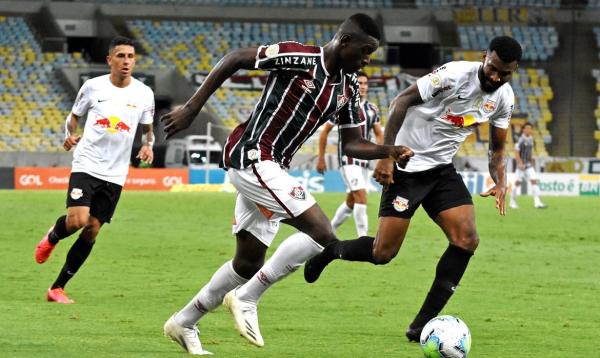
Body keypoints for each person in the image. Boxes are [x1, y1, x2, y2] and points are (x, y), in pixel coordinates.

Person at [160, 13, 413, 355]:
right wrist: (192, 108)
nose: (368, 60)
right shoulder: (299, 57)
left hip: (273, 167)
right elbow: (235, 59)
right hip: (252, 155)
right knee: (322, 234)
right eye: (365, 51)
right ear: (345, 41)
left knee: (247, 262)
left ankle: (184, 321)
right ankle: (248, 297)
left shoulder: (348, 87)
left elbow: (353, 143)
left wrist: (388, 150)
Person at [304, 36, 522, 342]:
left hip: (442, 172)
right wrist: (387, 155)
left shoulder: (503, 97)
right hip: (406, 166)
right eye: (493, 68)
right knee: (383, 253)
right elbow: (401, 101)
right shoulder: (453, 75)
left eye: (505, 73)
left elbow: (498, 149)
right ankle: (331, 251)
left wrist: (500, 181)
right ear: (484, 57)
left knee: (467, 240)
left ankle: (422, 325)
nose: (496, 77)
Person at [34, 36, 155, 304]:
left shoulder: (144, 94)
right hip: (87, 163)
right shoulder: (92, 87)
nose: (126, 61)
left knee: (92, 229)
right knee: (76, 221)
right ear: (109, 59)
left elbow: (148, 132)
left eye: (131, 57)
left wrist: (149, 147)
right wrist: (69, 134)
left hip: (116, 173)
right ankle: (53, 236)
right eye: (121, 56)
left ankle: (57, 288)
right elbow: (74, 116)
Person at [316, 70, 383, 237]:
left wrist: (381, 158)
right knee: (361, 196)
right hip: (348, 159)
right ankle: (364, 239)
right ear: (354, 85)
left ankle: (327, 232)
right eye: (359, 83)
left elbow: (379, 134)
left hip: (364, 161)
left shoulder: (372, 109)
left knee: (351, 202)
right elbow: (325, 132)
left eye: (365, 84)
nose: (363, 87)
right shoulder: (343, 105)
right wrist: (321, 158)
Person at [509, 122, 546, 209]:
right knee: (517, 183)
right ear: (523, 129)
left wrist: (531, 162)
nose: (528, 130)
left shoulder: (531, 139)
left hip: (528, 165)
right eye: (527, 128)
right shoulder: (520, 139)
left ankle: (537, 202)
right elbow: (516, 152)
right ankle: (512, 201)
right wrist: (520, 163)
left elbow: (529, 152)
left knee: (534, 181)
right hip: (521, 165)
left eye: (530, 128)